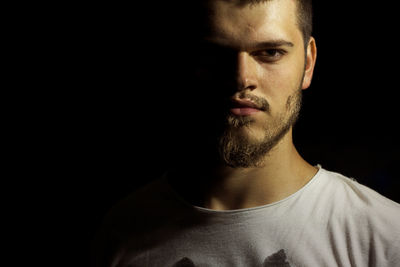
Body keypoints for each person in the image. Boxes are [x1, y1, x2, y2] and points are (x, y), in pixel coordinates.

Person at [92, 0, 400, 266]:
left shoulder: (383, 236)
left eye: (270, 52)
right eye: (215, 53)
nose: (241, 78)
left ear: (308, 62)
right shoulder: (120, 233)